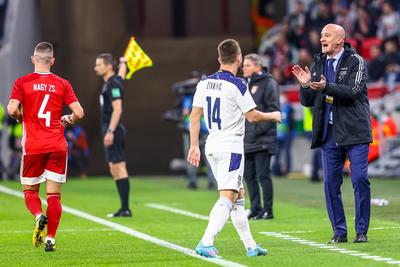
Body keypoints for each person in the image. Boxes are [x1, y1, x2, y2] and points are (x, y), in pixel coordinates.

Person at [187, 39, 281, 258]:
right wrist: (273, 115)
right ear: (239, 58)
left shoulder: (204, 83)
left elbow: (194, 116)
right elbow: (253, 116)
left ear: (219, 59)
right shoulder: (238, 84)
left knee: (239, 196)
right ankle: (206, 241)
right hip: (231, 146)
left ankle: (250, 246)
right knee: (228, 196)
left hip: (211, 144)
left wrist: (194, 146)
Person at [292, 24, 372, 243]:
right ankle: (339, 232)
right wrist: (305, 85)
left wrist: (326, 87)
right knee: (330, 184)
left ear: (340, 39)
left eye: (326, 35)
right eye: (320, 36)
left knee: (360, 179)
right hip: (329, 134)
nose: (321, 39)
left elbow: (353, 92)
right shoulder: (319, 63)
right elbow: (307, 101)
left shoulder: (356, 61)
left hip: (355, 132)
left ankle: (362, 231)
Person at [7, 41, 84, 252]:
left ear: (33, 59)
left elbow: (11, 108)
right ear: (53, 61)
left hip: (33, 146)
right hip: (57, 145)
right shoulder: (62, 83)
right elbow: (79, 113)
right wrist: (67, 119)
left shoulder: (22, 82)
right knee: (54, 196)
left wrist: (20, 117)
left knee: (30, 191)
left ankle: (39, 216)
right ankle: (50, 238)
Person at [242, 53, 280, 220]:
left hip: (263, 138)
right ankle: (255, 208)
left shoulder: (268, 83)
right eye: (243, 65)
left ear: (258, 66)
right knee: (249, 175)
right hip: (247, 139)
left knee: (263, 174)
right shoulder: (244, 84)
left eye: (248, 65)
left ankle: (268, 210)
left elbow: (274, 109)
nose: (244, 68)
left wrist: (257, 130)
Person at [94, 53, 131, 218]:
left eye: (99, 65)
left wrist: (110, 131)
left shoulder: (112, 84)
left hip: (113, 129)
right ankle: (123, 208)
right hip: (110, 128)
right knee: (113, 167)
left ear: (109, 66)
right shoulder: (113, 81)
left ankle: (125, 208)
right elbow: (122, 76)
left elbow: (118, 109)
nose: (96, 68)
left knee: (119, 167)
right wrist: (124, 63)